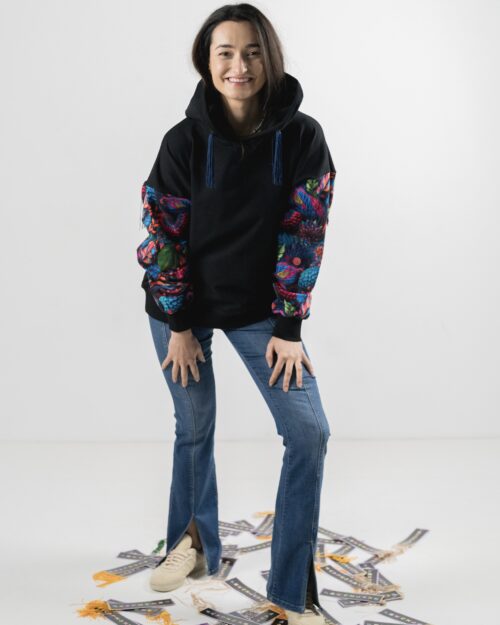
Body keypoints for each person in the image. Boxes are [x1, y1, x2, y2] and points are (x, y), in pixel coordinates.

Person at [136, 4, 336, 623]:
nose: (238, 65)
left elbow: (305, 233)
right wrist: (179, 324)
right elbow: (162, 235)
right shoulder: (182, 140)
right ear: (207, 60)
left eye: (251, 52)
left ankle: (290, 590)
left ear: (268, 58)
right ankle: (193, 543)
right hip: (182, 304)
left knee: (309, 432)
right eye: (225, 52)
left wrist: (288, 327)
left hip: (260, 308)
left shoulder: (303, 137)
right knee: (194, 425)